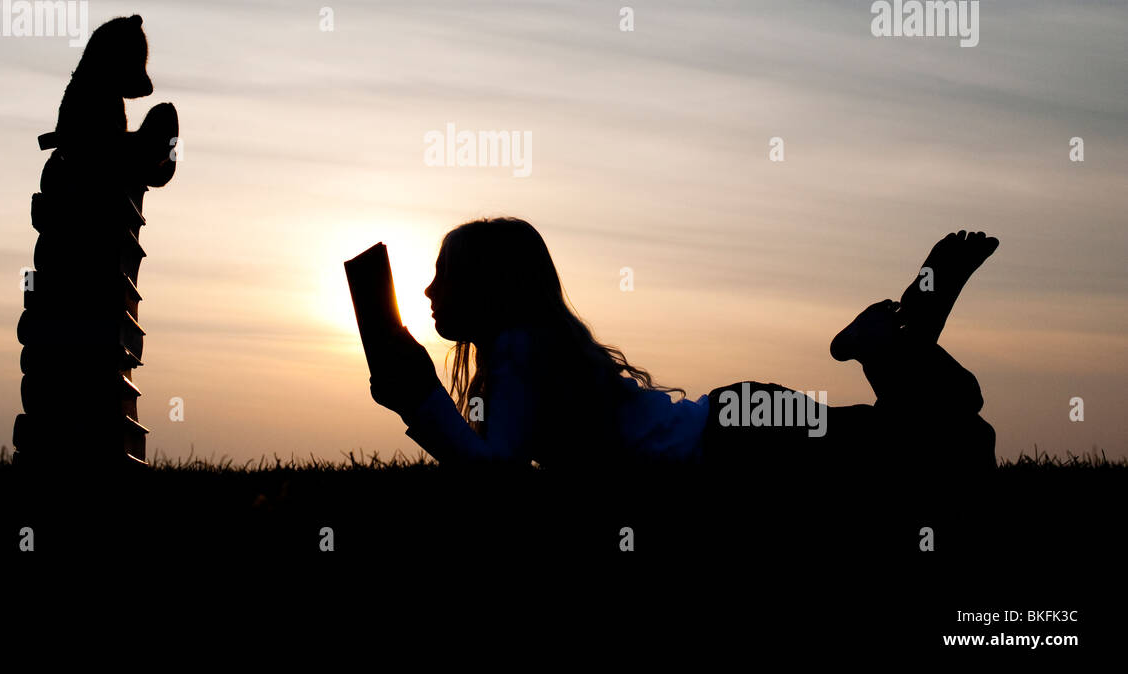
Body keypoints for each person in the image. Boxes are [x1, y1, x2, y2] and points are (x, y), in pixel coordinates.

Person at [367, 218, 997, 476]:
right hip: (736, 427)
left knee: (953, 440)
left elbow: (498, 479)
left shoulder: (522, 350)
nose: (427, 289)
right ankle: (903, 334)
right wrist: (417, 403)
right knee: (944, 442)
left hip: (740, 445)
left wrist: (418, 400)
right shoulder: (522, 352)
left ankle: (891, 340)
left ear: (489, 286)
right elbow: (494, 462)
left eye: (444, 274)